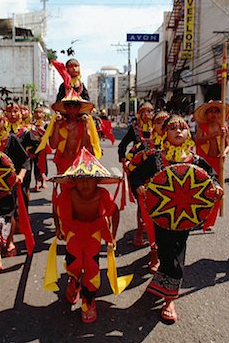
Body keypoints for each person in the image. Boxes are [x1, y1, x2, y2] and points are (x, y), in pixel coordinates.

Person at [129, 115, 222, 323]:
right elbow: (135, 175)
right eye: (172, 128)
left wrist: (215, 187)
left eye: (183, 128)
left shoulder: (195, 160)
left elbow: (211, 176)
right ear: (165, 133)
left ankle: (170, 299)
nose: (178, 131)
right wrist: (139, 187)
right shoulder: (155, 158)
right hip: (160, 217)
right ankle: (162, 280)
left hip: (184, 218)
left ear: (188, 133)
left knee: (177, 253)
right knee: (164, 250)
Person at [52, 147, 120, 323]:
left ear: (97, 180)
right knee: (74, 262)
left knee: (91, 266)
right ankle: (73, 281)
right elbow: (55, 208)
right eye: (81, 179)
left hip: (94, 233)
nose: (85, 184)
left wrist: (113, 236)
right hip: (73, 232)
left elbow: (115, 211)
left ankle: (88, 300)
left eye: (90, 179)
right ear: (74, 179)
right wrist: (58, 228)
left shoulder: (103, 195)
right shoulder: (68, 194)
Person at [0, 107, 30, 270]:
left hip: (9, 186)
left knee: (7, 216)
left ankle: (5, 246)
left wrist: (20, 176)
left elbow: (25, 160)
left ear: (4, 122)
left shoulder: (11, 139)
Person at [126, 111, 170, 273]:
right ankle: (154, 253)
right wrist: (137, 181)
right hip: (148, 192)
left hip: (170, 194)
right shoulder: (143, 146)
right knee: (150, 224)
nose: (163, 124)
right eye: (159, 121)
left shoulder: (178, 146)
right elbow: (130, 163)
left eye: (167, 121)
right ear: (153, 125)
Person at [118, 102, 154, 247]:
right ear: (139, 113)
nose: (148, 114)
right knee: (141, 201)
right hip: (137, 169)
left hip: (154, 167)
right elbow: (122, 145)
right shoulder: (135, 129)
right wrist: (123, 160)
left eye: (150, 111)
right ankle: (139, 232)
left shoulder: (158, 129)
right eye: (144, 111)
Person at [194, 101, 229, 177]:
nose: (213, 114)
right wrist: (214, 135)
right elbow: (197, 141)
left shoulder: (223, 128)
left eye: (216, 112)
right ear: (206, 114)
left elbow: (227, 146)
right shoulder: (202, 127)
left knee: (217, 184)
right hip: (204, 160)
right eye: (210, 112)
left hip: (218, 161)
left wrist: (224, 153)